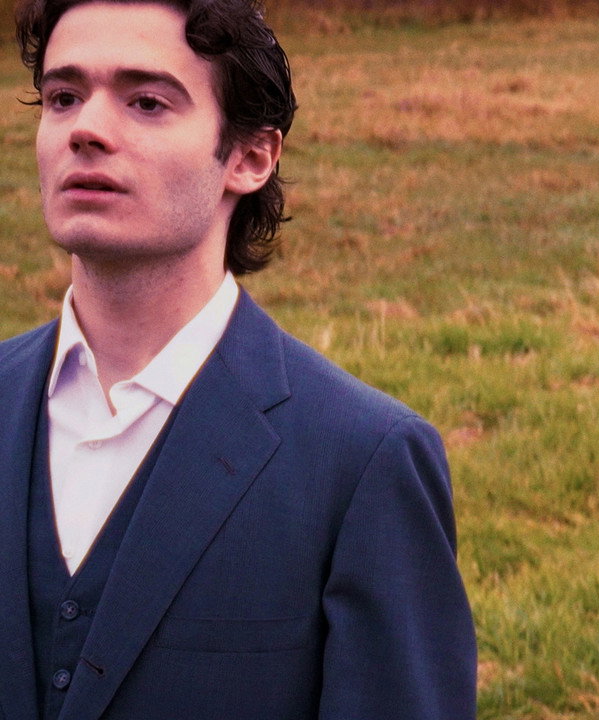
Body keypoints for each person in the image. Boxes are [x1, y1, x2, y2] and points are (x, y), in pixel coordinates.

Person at [0, 1, 476, 718]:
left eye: (147, 102)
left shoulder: (363, 460)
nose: (86, 129)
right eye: (64, 97)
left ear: (251, 158)